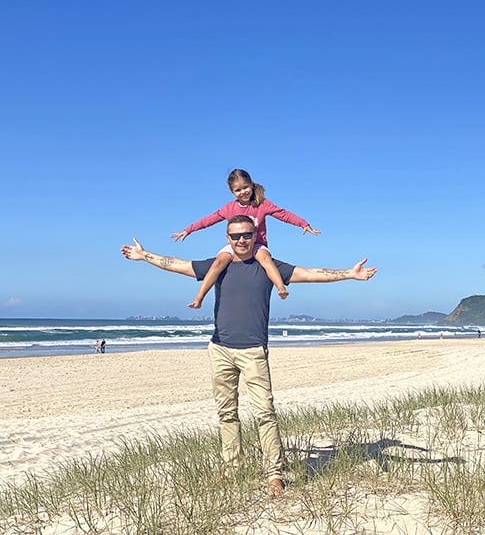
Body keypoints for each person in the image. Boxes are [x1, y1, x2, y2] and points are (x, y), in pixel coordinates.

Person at [122, 215, 376, 496]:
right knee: (226, 413)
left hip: (253, 351)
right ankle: (232, 469)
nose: (241, 240)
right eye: (235, 236)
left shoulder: (269, 267)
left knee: (265, 413)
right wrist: (144, 255)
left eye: (246, 235)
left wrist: (349, 274)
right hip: (219, 348)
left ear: (255, 235)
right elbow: (179, 265)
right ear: (227, 238)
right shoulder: (219, 266)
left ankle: (274, 474)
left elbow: (311, 273)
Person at [171, 168, 321, 308]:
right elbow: (210, 219)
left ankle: (281, 288)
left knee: (266, 260)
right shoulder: (229, 208)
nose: (243, 192)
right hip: (235, 245)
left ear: (251, 185)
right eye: (238, 190)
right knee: (218, 263)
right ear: (232, 192)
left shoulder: (262, 204)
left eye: (245, 187)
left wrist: (303, 224)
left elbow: (283, 214)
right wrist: (188, 230)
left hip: (257, 245)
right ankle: (199, 298)